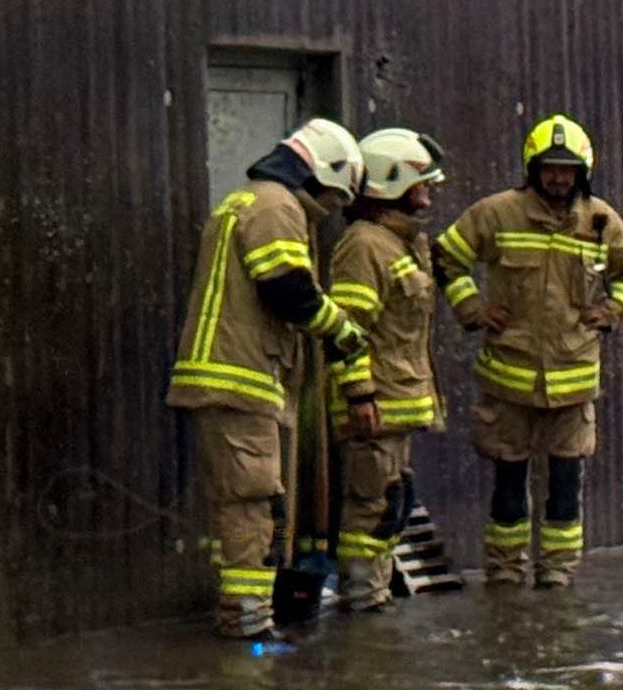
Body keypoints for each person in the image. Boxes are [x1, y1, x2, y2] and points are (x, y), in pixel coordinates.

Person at [167, 117, 369, 639]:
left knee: (245, 499)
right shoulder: (277, 206)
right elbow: (287, 290)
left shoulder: (248, 200)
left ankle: (247, 613)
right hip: (239, 377)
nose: (332, 209)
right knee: (252, 500)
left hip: (230, 376)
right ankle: (248, 624)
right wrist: (342, 329)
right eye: (335, 197)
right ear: (324, 173)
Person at [440, 113, 623, 589]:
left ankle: (557, 576)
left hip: (574, 382)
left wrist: (612, 309)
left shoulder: (601, 221)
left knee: (564, 486)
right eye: (550, 168)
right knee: (509, 485)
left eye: (567, 170)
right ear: (532, 169)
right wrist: (473, 309)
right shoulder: (497, 213)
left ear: (583, 172)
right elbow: (447, 258)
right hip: (509, 379)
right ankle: (504, 573)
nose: (558, 178)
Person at [324, 128, 449, 613]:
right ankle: (362, 603)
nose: (428, 193)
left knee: (391, 503)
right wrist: (359, 394)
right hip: (375, 408)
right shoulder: (364, 246)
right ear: (391, 182)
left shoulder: (400, 243)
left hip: (395, 405)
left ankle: (372, 598)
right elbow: (348, 328)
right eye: (421, 183)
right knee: (371, 511)